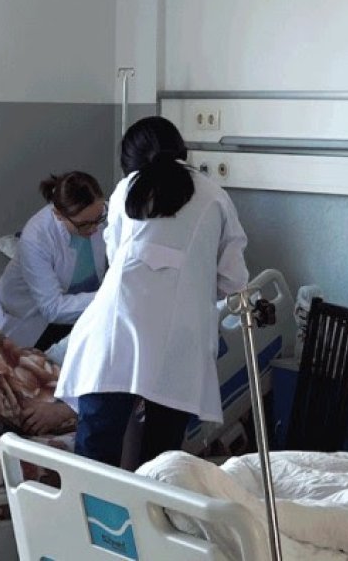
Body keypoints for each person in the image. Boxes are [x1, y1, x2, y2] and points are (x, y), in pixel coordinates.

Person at [55, 116, 249, 469]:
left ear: (130, 159)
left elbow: (116, 258)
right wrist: (193, 277)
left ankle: (93, 507)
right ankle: (151, 505)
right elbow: (233, 281)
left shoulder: (125, 190)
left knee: (95, 456)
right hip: (179, 342)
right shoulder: (215, 197)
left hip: (115, 332)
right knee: (161, 462)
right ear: (181, 149)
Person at [0, 171, 108, 350]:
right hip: (31, 318)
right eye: (84, 224)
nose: (94, 229)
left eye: (99, 219)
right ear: (58, 214)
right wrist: (109, 296)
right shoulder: (36, 237)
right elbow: (53, 308)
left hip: (80, 311)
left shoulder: (104, 213)